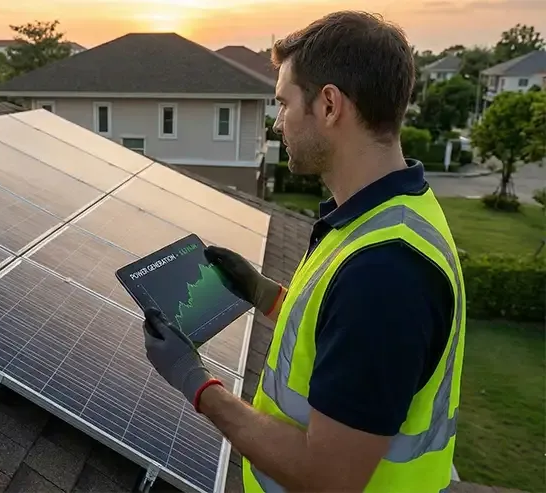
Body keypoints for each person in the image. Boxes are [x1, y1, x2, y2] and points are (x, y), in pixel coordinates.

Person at [141, 10, 465, 493]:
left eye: (284, 104)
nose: (277, 124)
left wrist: (196, 383)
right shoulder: (386, 215)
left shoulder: (385, 273)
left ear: (330, 105)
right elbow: (338, 334)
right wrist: (264, 293)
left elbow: (329, 477)